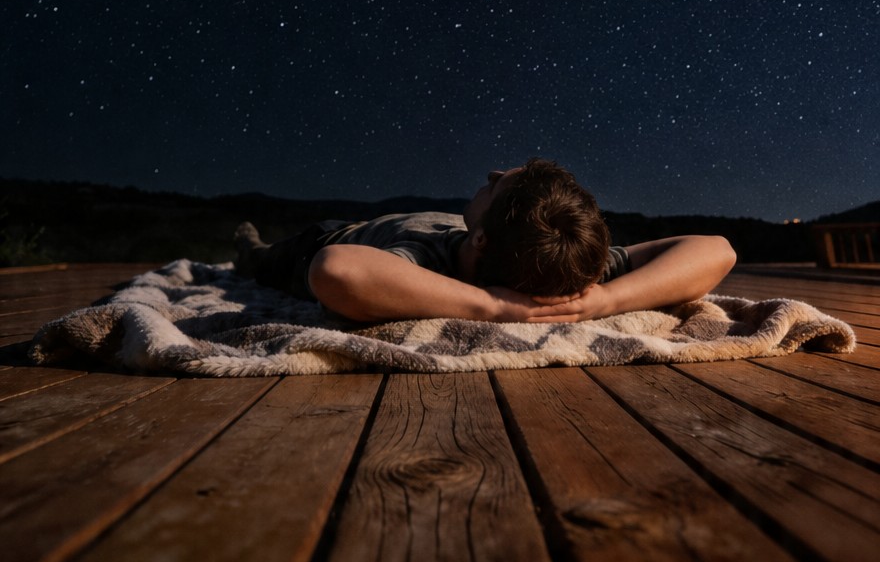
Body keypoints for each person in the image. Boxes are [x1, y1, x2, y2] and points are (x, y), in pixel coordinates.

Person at [233, 158, 736, 323]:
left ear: (479, 240)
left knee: (259, 261)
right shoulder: (569, 269)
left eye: (497, 186)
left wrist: (494, 308)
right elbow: (719, 248)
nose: (492, 172)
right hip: (391, 224)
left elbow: (335, 268)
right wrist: (605, 299)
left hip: (323, 239)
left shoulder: (427, 266)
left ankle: (248, 244)